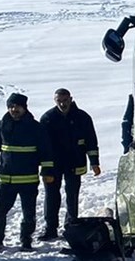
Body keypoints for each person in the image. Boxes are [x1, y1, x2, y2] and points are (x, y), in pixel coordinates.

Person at [0, 93, 54, 253]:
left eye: (17, 106)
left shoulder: (36, 128)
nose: (14, 109)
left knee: (29, 214)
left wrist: (47, 171)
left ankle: (26, 241)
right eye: (11, 106)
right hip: (6, 181)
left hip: (29, 180)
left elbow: (46, 152)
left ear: (24, 107)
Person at [38, 88, 100, 240]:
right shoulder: (48, 118)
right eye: (59, 101)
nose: (62, 104)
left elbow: (91, 141)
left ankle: (71, 225)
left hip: (74, 162)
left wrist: (94, 163)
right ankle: (51, 228)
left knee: (72, 195)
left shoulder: (82, 117)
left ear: (71, 99)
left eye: (65, 100)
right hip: (53, 165)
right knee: (52, 196)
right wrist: (43, 166)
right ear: (55, 101)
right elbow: (42, 144)